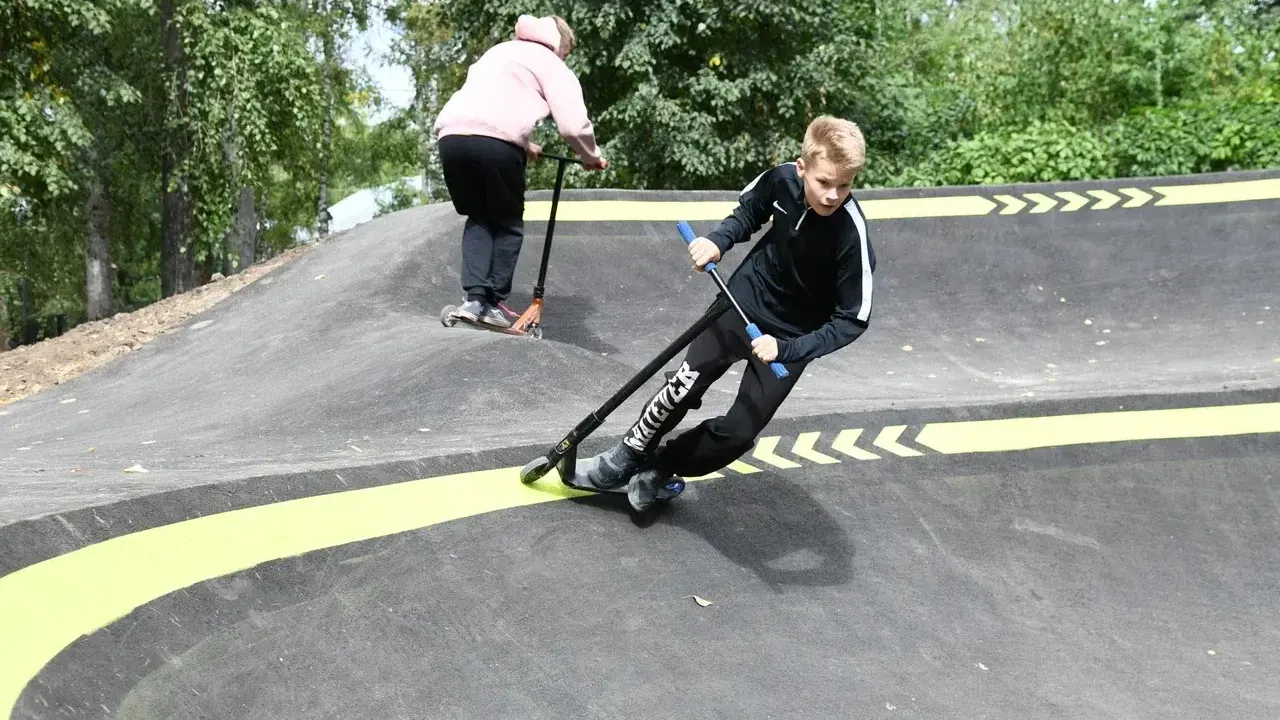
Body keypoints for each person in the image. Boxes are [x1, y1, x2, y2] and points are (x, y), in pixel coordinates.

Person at [575, 115, 876, 511]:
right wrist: (718, 242)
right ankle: (627, 454)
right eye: (824, 182)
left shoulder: (851, 234)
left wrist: (787, 349)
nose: (833, 195)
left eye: (845, 185)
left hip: (788, 338)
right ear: (802, 168)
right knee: (685, 383)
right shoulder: (782, 179)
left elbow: (852, 319)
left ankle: (662, 466)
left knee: (738, 434)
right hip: (744, 301)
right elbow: (749, 211)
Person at [434, 14, 607, 328]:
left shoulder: (499, 51)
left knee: (479, 216)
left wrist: (525, 145)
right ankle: (493, 302)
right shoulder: (550, 61)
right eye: (566, 54)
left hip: (451, 139)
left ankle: (474, 300)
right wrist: (591, 155)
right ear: (560, 45)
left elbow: (486, 106)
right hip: (496, 144)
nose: (563, 58)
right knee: (508, 222)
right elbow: (572, 124)